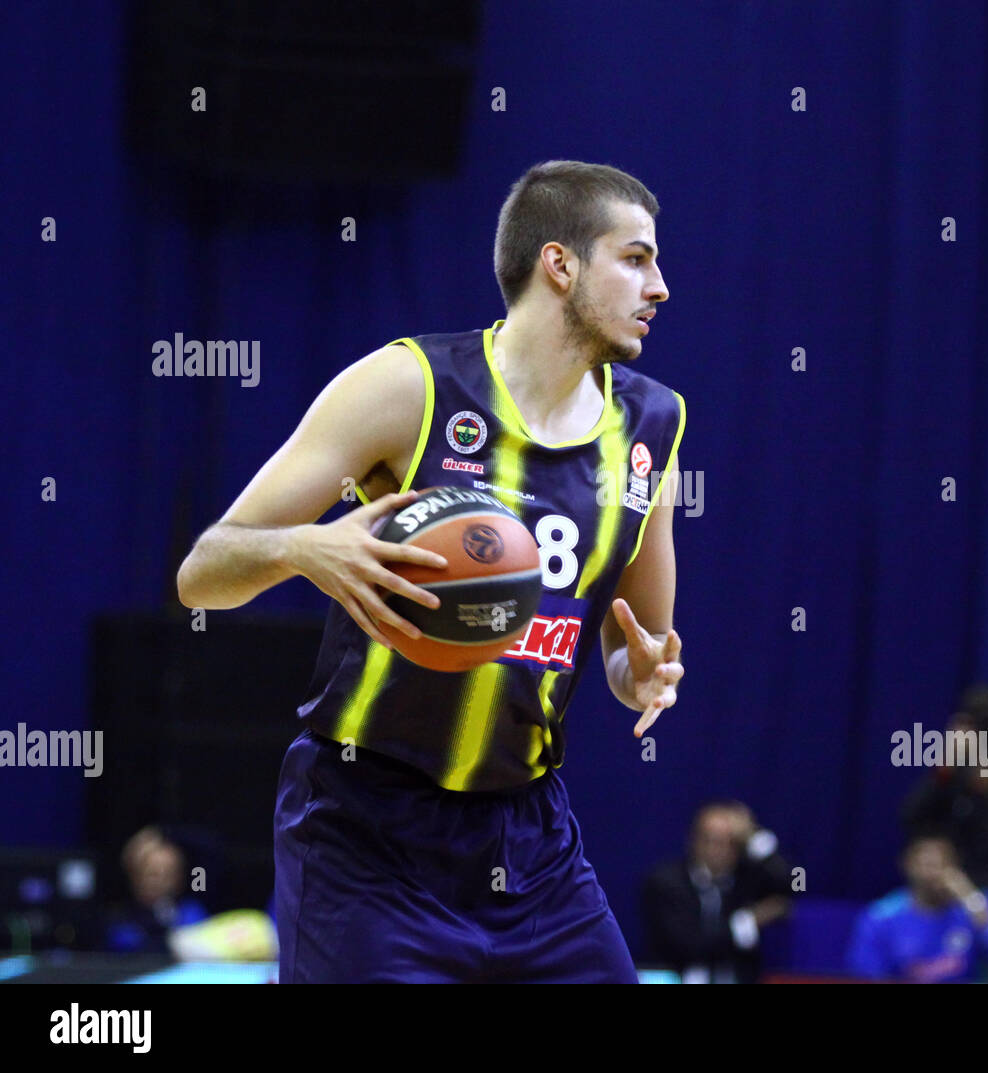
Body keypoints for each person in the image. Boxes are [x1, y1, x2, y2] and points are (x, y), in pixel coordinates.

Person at [177, 160, 686, 983]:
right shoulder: (410, 386)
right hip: (365, 829)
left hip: (530, 844)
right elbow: (203, 571)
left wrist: (642, 672)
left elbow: (637, 646)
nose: (659, 285)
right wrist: (304, 549)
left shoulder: (653, 425)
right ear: (560, 264)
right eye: (635, 258)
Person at [900, 682, 988, 921]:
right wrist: (945, 769)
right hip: (937, 896)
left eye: (982, 726)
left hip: (987, 896)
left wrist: (981, 778)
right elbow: (912, 818)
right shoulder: (951, 768)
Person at [845, 831, 988, 983]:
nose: (934, 873)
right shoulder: (881, 916)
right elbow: (866, 974)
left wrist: (970, 898)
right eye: (927, 864)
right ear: (907, 865)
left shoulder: (975, 905)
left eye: (943, 864)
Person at [642, 801, 792, 983]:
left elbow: (796, 884)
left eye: (730, 842)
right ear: (693, 840)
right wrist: (748, 922)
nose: (718, 850)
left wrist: (756, 839)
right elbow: (689, 945)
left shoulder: (747, 881)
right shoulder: (665, 883)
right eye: (710, 840)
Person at [103, 825, 208, 955]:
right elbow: (125, 947)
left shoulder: (190, 911)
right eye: (153, 874)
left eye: (169, 874)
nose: (161, 882)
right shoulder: (120, 920)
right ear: (135, 876)